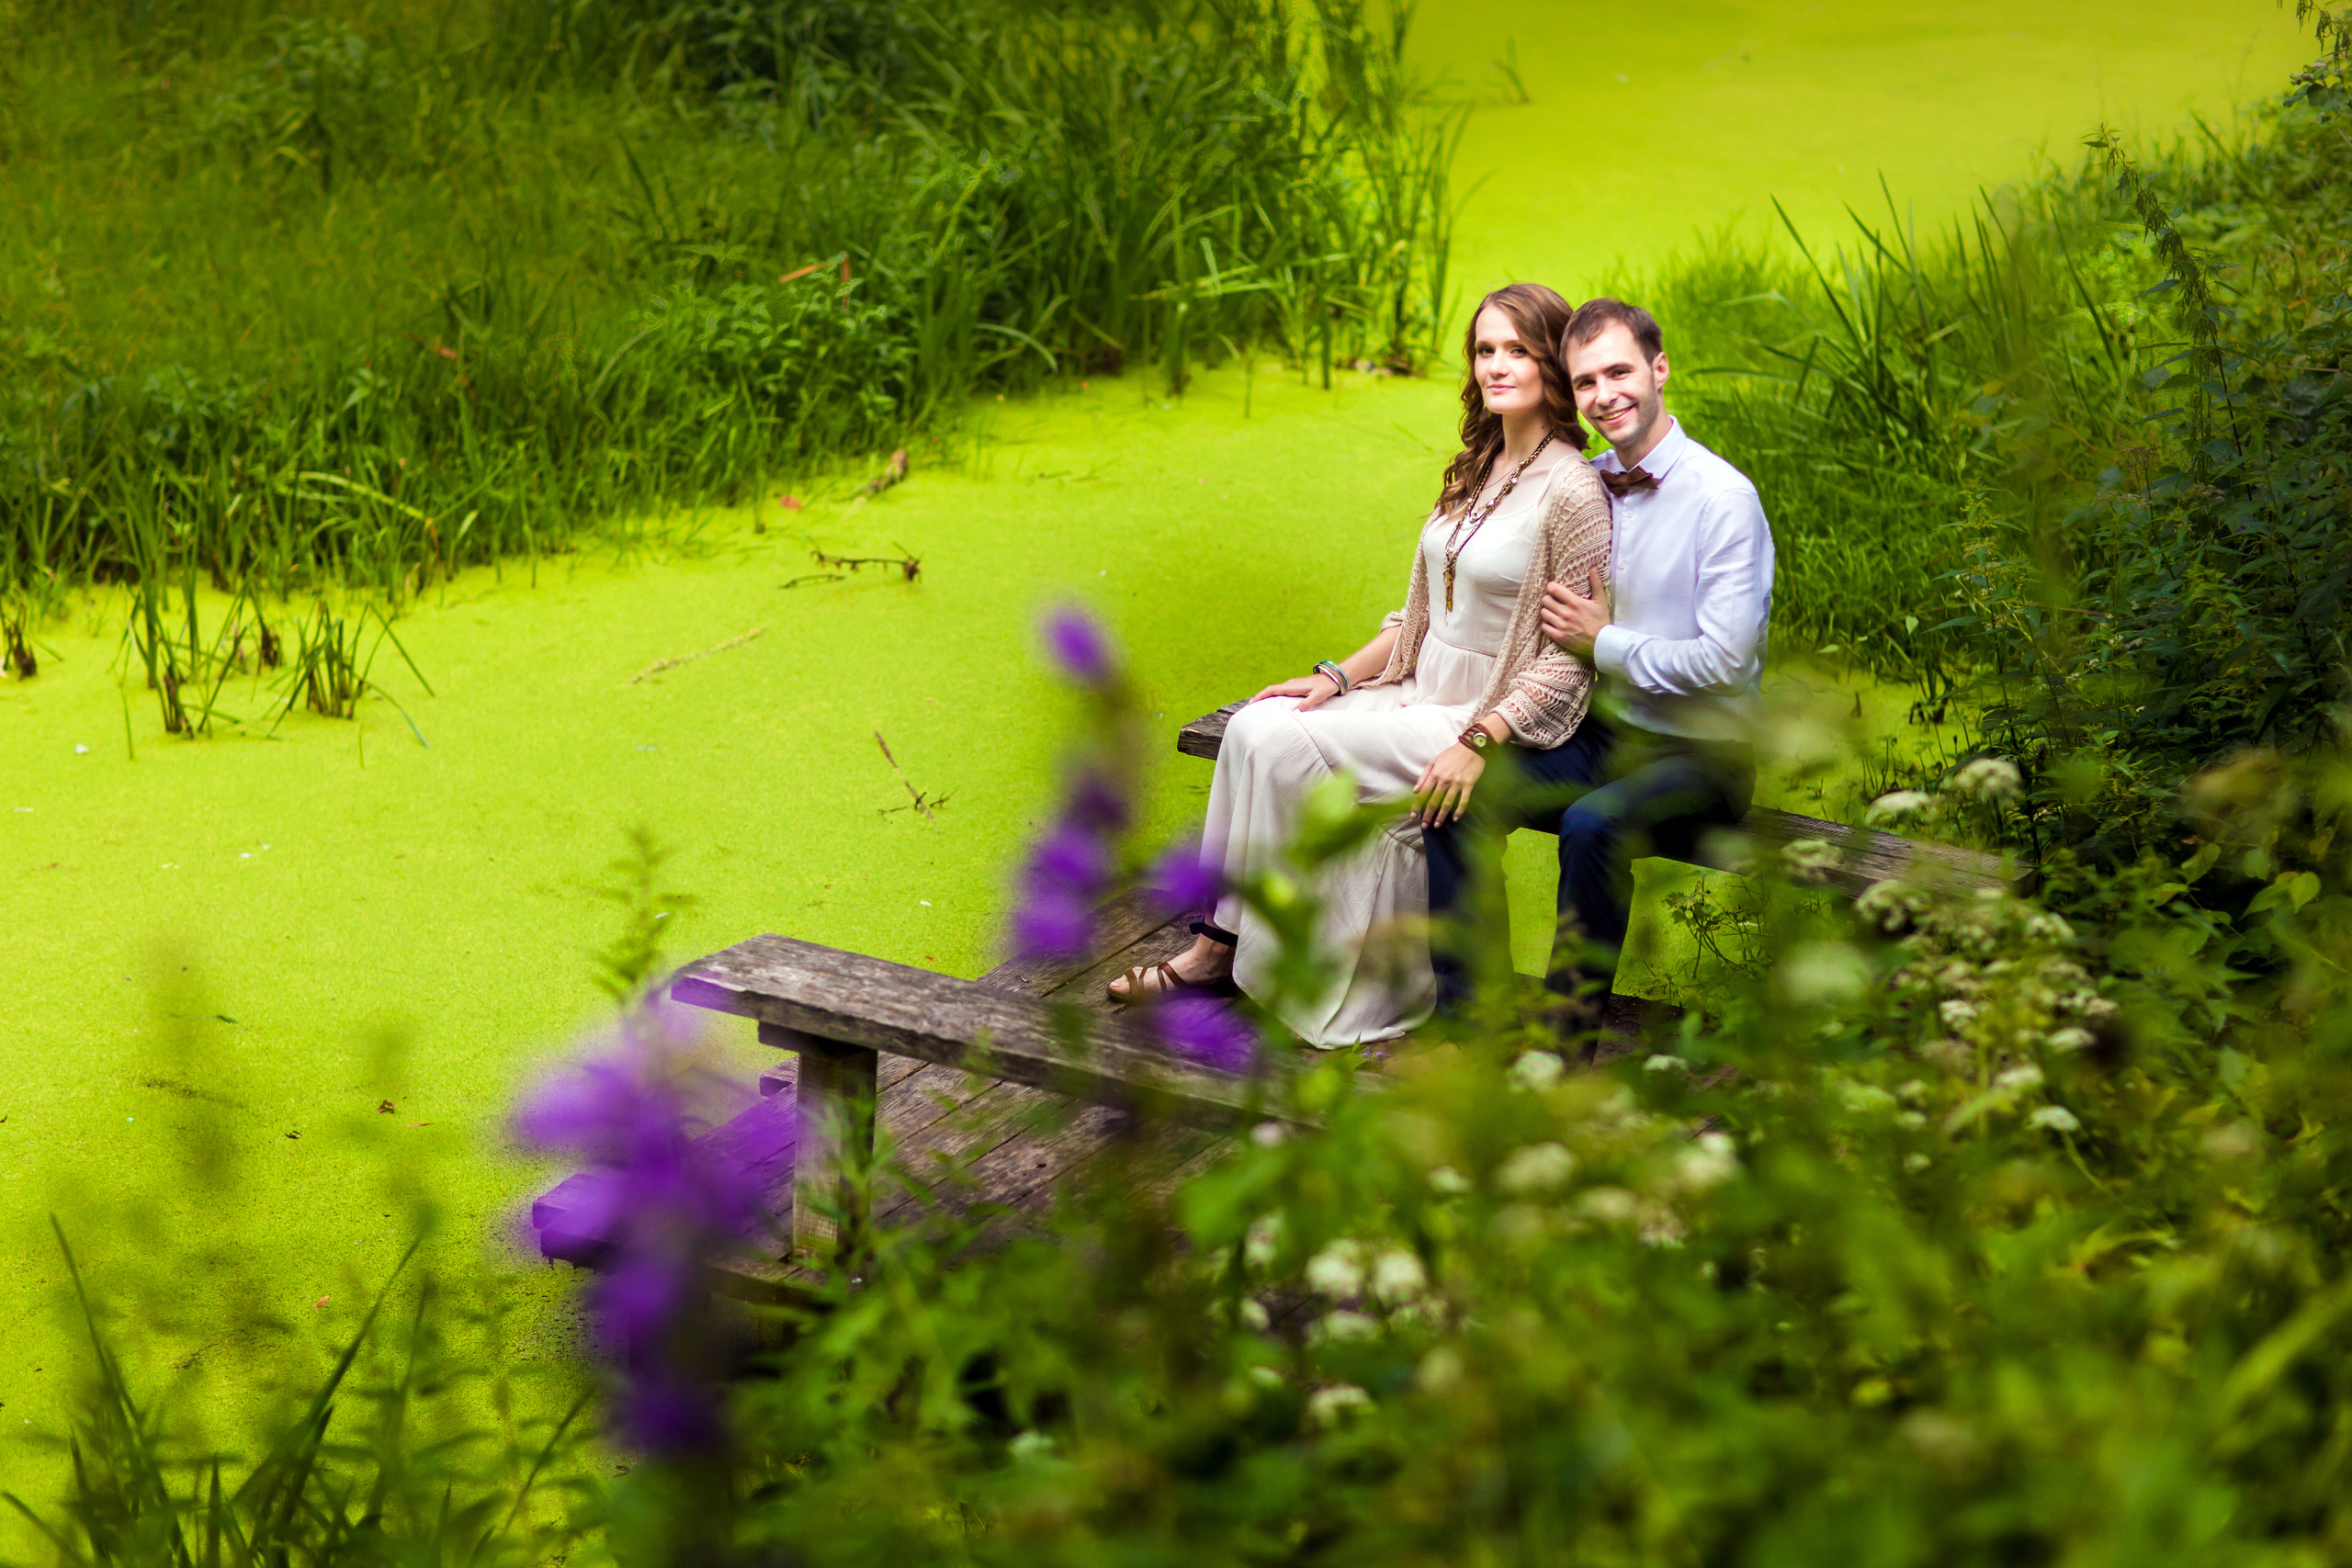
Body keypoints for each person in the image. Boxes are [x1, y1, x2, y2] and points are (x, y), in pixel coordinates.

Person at [1108, 284, 1612, 1045]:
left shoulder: (1573, 489)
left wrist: (1479, 739)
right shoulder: (1476, 464)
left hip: (1476, 710)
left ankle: (1287, 962)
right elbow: (1416, 617)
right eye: (1484, 350)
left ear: (1551, 359)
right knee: (1256, 725)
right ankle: (1221, 942)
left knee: (1282, 746)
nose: (1497, 366)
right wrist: (1338, 676)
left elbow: (1566, 662)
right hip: (1416, 684)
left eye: (1517, 349)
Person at [1421, 297, 1774, 1021]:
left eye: (1620, 371)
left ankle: (1562, 1048)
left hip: (1704, 753)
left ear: (1660, 368)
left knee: (1593, 825)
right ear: (1571, 393)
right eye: (1585, 382)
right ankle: (1470, 1023)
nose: (1605, 394)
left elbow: (1730, 662)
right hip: (1607, 734)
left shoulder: (1724, 501)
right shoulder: (1587, 484)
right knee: (1459, 801)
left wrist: (1604, 641)